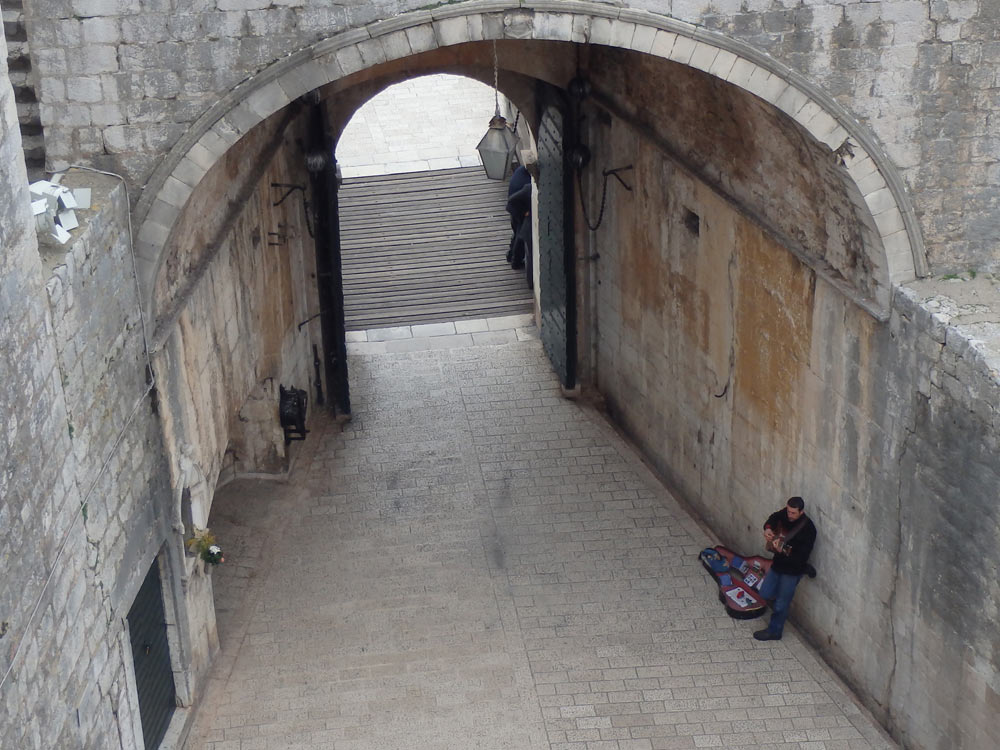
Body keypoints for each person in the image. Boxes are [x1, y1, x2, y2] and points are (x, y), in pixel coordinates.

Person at [753, 496, 816, 641]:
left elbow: (802, 555)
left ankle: (775, 631)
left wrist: (783, 549)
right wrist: (768, 528)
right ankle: (779, 605)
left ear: (801, 512)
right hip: (778, 565)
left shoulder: (809, 529)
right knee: (764, 592)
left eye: (793, 513)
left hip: (793, 570)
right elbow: (774, 517)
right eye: (788, 511)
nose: (789, 515)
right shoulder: (785, 514)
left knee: (781, 604)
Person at [505, 164, 532, 270]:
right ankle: (516, 262)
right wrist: (525, 212)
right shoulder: (528, 186)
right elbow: (512, 199)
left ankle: (510, 255)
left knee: (516, 232)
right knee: (520, 237)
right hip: (518, 210)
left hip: (514, 209)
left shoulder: (520, 172)